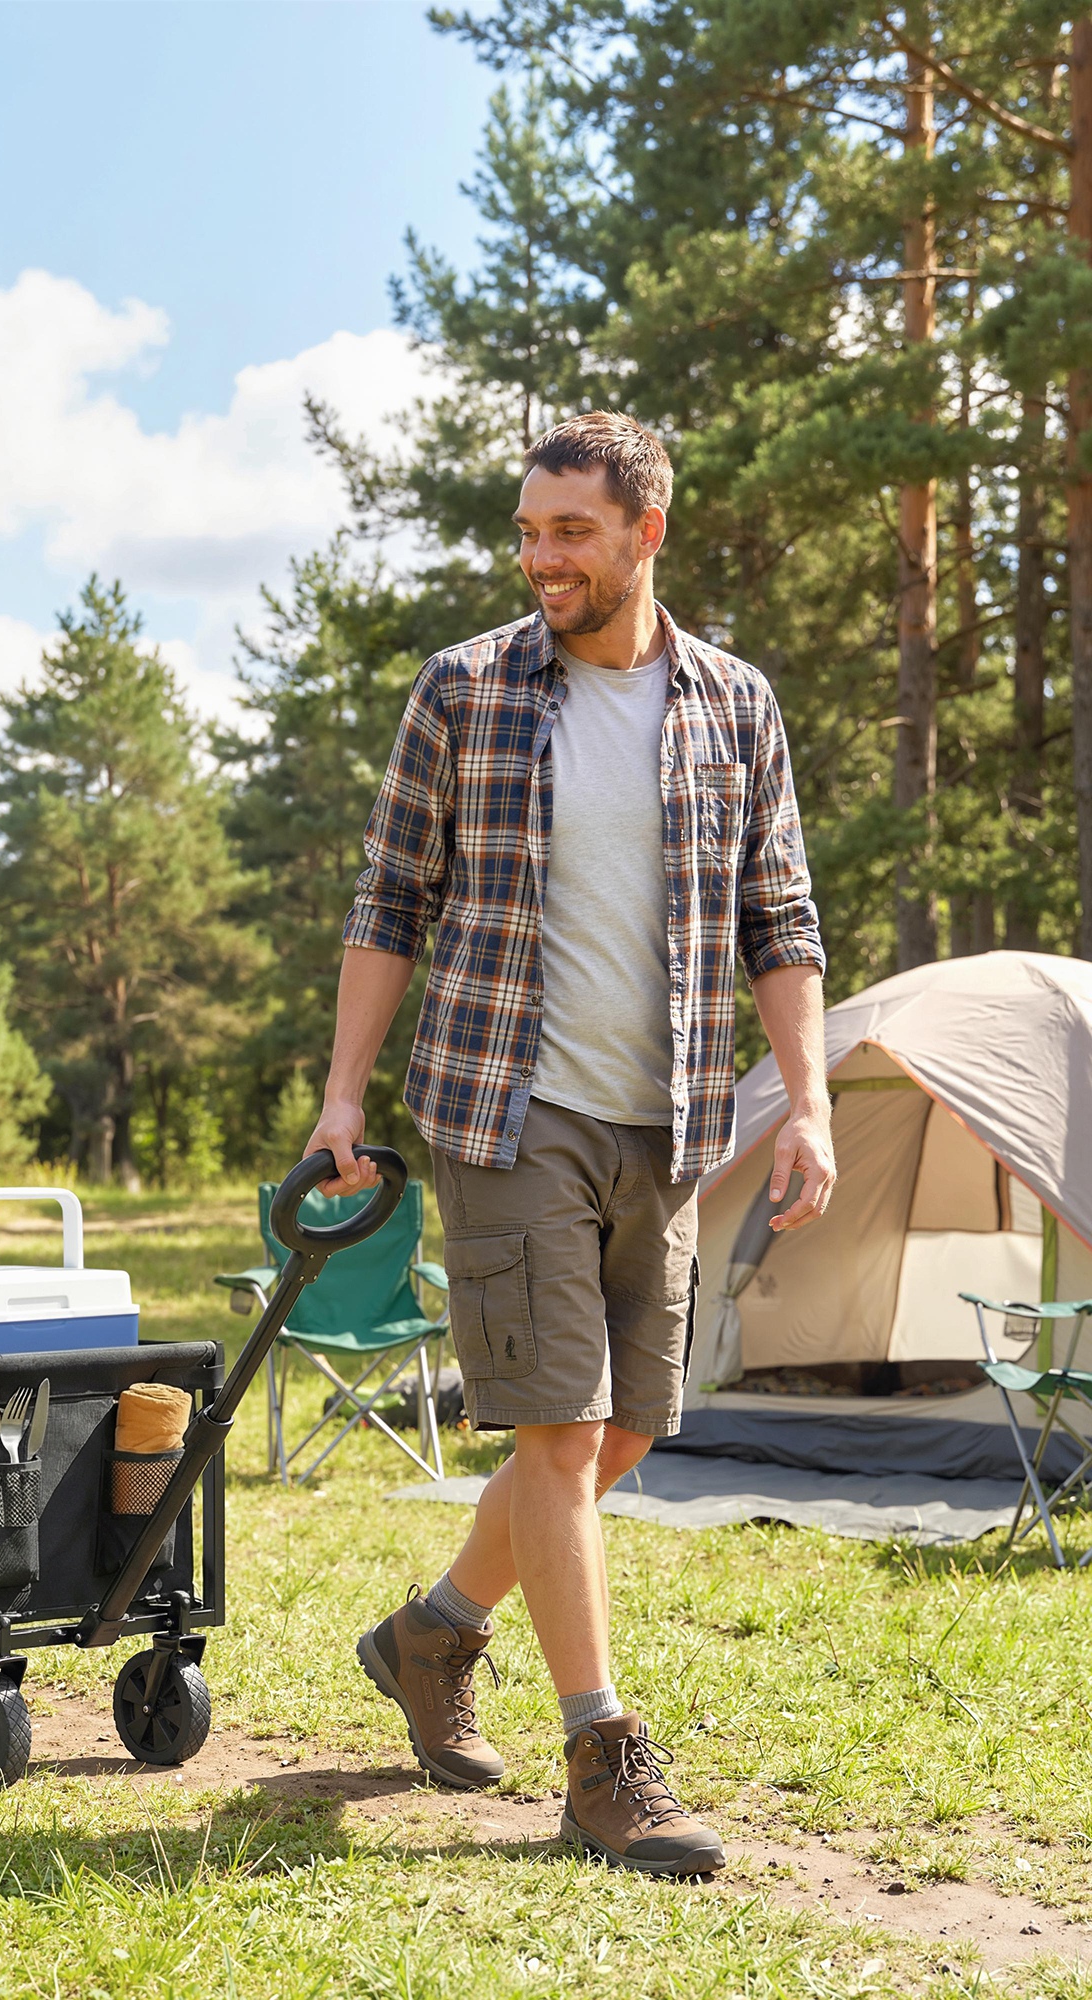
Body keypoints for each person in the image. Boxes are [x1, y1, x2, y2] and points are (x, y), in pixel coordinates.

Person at [307, 412, 835, 1877]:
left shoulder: (734, 705)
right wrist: (345, 1093)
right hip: (500, 1103)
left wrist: (812, 1101)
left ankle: (433, 1635)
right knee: (554, 1422)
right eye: (528, 531)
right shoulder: (465, 690)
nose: (541, 557)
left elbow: (777, 920)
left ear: (645, 532)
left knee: (626, 1430)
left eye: (571, 533)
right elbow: (388, 902)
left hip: (663, 1116)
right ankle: (603, 1756)